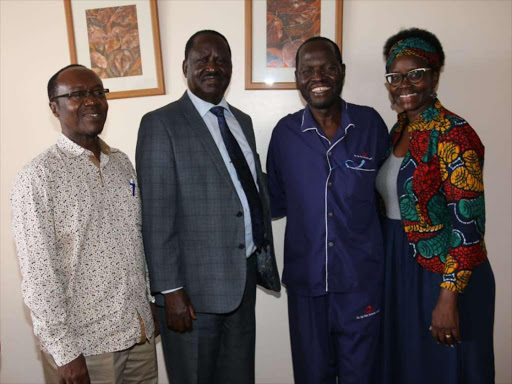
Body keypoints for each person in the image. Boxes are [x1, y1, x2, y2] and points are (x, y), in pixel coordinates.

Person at [135, 30, 280, 384]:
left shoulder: (240, 121)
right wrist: (169, 291)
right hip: (191, 295)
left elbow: (245, 190)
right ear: (185, 66)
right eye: (202, 59)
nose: (212, 66)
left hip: (242, 283)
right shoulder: (161, 124)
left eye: (221, 60)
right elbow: (156, 216)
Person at [11, 65, 158, 384]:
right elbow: (38, 275)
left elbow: (135, 240)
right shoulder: (38, 178)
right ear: (54, 107)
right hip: (86, 347)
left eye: (97, 92)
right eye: (77, 95)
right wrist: (64, 354)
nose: (91, 101)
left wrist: (147, 303)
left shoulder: (121, 163)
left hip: (139, 333)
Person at [266, 37, 389, 384]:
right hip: (307, 285)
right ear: (297, 78)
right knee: (312, 376)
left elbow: (388, 196)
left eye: (327, 68)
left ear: (342, 72)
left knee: (363, 376)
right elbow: (276, 201)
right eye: (308, 70)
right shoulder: (285, 134)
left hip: (361, 282)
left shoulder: (370, 125)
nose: (317, 77)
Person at [377, 28, 495, 384]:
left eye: (416, 73)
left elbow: (469, 225)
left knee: (447, 369)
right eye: (394, 77)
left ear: (435, 74)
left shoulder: (455, 134)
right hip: (400, 266)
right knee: (409, 365)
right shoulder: (397, 131)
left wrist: (448, 298)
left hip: (446, 274)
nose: (404, 84)